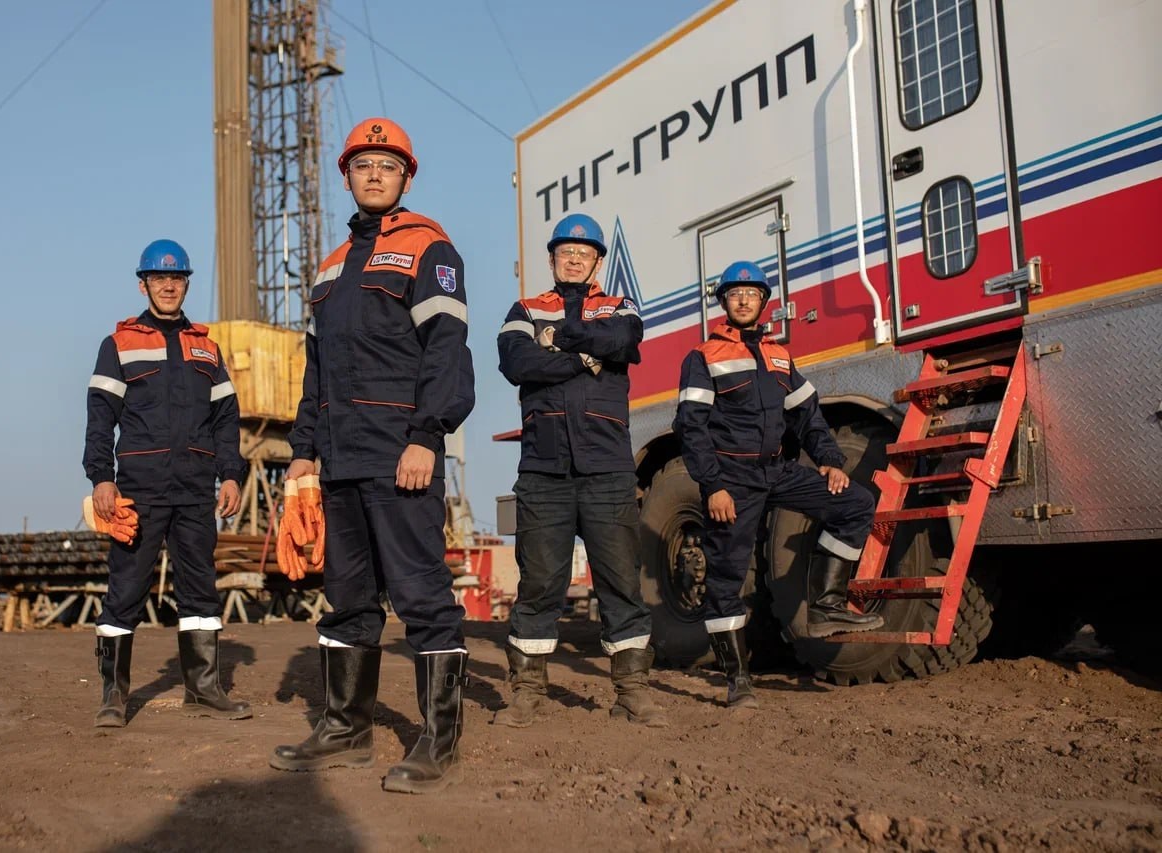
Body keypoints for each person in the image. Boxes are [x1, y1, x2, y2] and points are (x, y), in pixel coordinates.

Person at [269, 117, 475, 795]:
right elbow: (317, 369)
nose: (376, 174)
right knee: (346, 599)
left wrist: (426, 435)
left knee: (422, 595)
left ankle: (438, 740)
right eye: (364, 165)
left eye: (388, 165)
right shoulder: (331, 267)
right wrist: (303, 450)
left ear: (407, 177)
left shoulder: (429, 247)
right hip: (340, 458)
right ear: (348, 177)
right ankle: (345, 729)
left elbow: (447, 351)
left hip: (399, 453)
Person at [672, 260, 883, 708]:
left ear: (764, 302)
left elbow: (808, 415)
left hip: (777, 471)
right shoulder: (704, 357)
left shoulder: (780, 356)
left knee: (855, 504)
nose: (744, 300)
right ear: (724, 302)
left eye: (752, 294)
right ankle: (738, 680)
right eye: (735, 294)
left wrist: (830, 461)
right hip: (732, 480)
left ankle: (826, 606)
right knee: (726, 577)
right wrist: (713, 486)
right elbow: (690, 428)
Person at [495, 213, 664, 728]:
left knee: (620, 580)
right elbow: (517, 364)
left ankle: (633, 692)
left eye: (583, 253)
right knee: (539, 582)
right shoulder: (525, 309)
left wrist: (560, 341)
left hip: (607, 468)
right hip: (544, 470)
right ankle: (527, 692)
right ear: (552, 259)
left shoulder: (619, 306)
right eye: (565, 252)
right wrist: (583, 357)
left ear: (597, 262)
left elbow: (625, 341)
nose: (574, 259)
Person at [83, 238, 251, 728]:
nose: (169, 286)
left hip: (196, 490)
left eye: (177, 278)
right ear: (144, 285)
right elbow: (100, 418)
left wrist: (231, 475)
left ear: (186, 284)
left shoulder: (206, 348)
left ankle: (203, 689)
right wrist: (102, 478)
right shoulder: (119, 344)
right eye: (160, 278)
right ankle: (114, 697)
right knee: (125, 590)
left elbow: (226, 418)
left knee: (200, 592)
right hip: (140, 488)